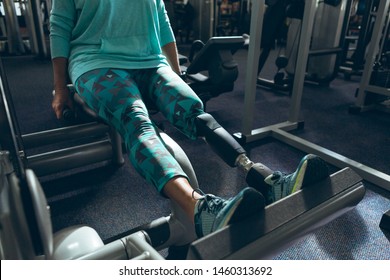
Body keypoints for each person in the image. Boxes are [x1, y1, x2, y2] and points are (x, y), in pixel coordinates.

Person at [50, 0, 329, 238]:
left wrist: (176, 75)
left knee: (194, 111)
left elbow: (161, 22)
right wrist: (61, 89)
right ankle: (199, 211)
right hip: (95, 63)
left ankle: (268, 181)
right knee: (136, 120)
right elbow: (60, 27)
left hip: (150, 61)